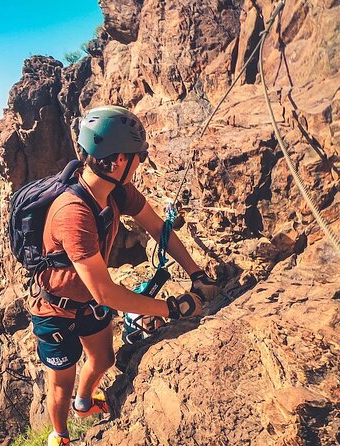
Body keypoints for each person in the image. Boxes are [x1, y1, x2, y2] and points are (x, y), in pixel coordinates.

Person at [26, 105, 219, 446]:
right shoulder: (74, 213)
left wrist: (196, 272)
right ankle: (59, 435)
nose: (141, 162)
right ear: (117, 161)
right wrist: (173, 308)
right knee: (61, 381)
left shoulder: (117, 191)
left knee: (103, 358)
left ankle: (83, 405)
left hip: (88, 303)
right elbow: (105, 291)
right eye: (138, 156)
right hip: (55, 310)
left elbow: (159, 228)